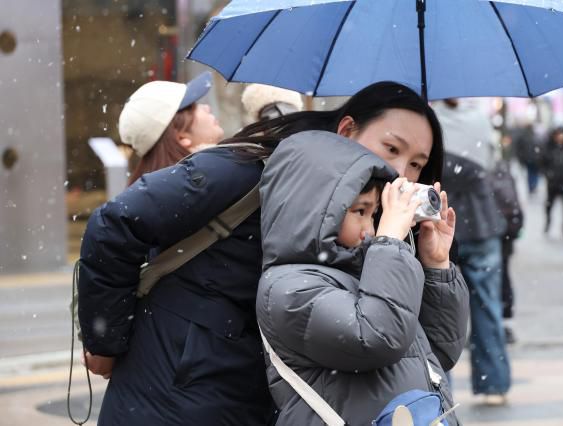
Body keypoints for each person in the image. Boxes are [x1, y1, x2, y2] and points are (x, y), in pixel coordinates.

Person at [78, 81, 469, 425]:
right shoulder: (249, 171)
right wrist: (105, 340)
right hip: (173, 388)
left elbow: (418, 345)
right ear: (347, 130)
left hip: (260, 398)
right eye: (391, 148)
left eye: (416, 163)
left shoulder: (374, 223)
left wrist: (433, 265)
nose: (401, 170)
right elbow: (116, 223)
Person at [257, 130, 465, 426]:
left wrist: (436, 266)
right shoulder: (287, 290)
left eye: (375, 213)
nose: (369, 227)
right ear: (316, 210)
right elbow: (379, 337)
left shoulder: (369, 266)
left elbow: (438, 350)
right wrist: (391, 242)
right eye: (359, 211)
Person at [433, 98, 511, 405]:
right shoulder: (480, 118)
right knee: (487, 304)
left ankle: (440, 390)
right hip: (481, 218)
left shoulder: (430, 118)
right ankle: (493, 383)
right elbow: (492, 164)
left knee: (437, 308)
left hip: (440, 219)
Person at [119, 71, 225, 184]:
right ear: (181, 138)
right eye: (192, 108)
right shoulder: (214, 180)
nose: (207, 107)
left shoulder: (162, 190)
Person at [490, 159, 524, 344]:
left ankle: (501, 324)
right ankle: (504, 323)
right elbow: (513, 205)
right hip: (501, 233)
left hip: (494, 233)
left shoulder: (493, 169)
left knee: (498, 280)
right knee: (502, 279)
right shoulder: (499, 167)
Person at [541, 127, 563, 238]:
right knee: (549, 205)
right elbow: (543, 162)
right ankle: (548, 223)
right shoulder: (550, 148)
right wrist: (548, 174)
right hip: (553, 182)